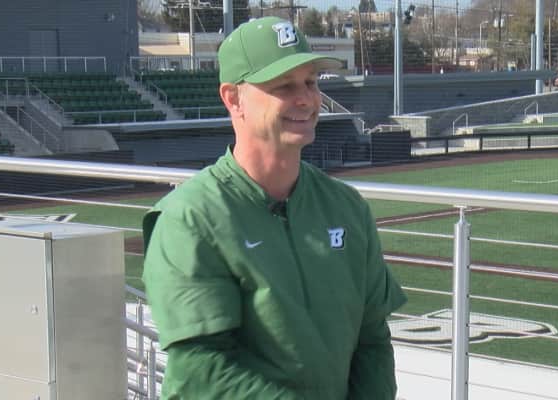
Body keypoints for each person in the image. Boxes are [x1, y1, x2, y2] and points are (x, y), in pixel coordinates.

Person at [142, 16, 406, 400]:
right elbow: (201, 370)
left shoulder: (346, 207)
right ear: (233, 98)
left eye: (311, 82)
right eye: (283, 86)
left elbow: (372, 338)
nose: (306, 99)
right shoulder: (190, 218)